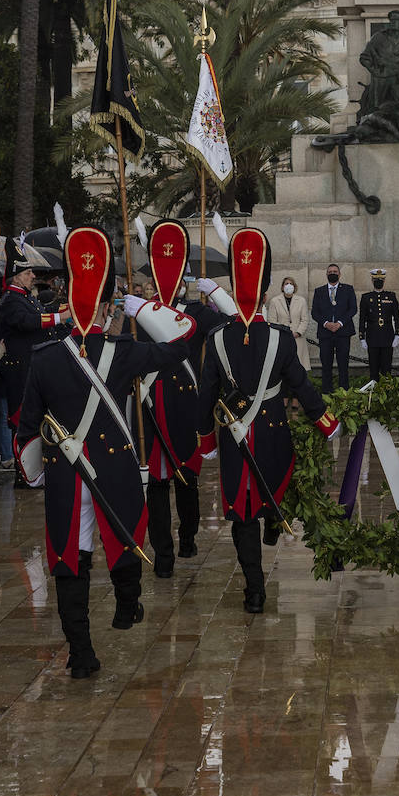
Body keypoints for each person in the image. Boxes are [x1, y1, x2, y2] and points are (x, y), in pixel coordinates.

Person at [14, 224, 196, 679]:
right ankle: (126, 604)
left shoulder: (45, 359)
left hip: (66, 475)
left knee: (70, 559)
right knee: (124, 536)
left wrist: (36, 473)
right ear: (104, 306)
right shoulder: (125, 350)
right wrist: (142, 306)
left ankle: (81, 653)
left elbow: (26, 429)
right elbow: (181, 342)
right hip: (113, 467)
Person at [198, 228, 340, 612]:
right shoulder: (279, 338)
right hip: (272, 433)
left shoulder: (216, 339)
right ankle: (273, 525)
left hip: (233, 437)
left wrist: (205, 440)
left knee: (243, 513)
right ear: (265, 295)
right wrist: (325, 420)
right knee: (272, 490)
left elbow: (205, 395)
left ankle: (255, 590)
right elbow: (301, 385)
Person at [135, 221, 227, 579]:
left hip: (188, 405)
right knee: (156, 484)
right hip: (152, 402)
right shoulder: (140, 310)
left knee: (186, 478)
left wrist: (216, 294)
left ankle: (187, 535)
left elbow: (231, 325)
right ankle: (163, 552)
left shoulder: (198, 312)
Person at [0, 238, 68, 483]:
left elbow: (43, 320)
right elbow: (30, 323)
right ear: (16, 277)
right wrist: (60, 317)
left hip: (32, 366)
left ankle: (34, 469)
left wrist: (62, 319)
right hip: (20, 370)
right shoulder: (10, 301)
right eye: (27, 272)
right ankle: (22, 473)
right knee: (21, 420)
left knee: (34, 418)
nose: (32, 276)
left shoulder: (25, 297)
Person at [310, 263, 356, 393]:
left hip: (343, 332)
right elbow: (315, 312)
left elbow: (353, 309)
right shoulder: (319, 291)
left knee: (343, 365)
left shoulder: (348, 289)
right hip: (325, 334)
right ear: (326, 274)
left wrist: (340, 323)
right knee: (326, 365)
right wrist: (326, 323)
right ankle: (327, 394)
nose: (332, 273)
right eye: (330, 272)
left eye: (335, 271)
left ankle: (344, 394)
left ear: (340, 274)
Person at [358, 268, 399, 380]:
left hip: (387, 337)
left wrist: (397, 335)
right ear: (372, 281)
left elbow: (397, 317)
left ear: (384, 281)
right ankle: (374, 395)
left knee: (386, 369)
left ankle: (386, 395)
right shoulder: (366, 298)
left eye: (381, 280)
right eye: (376, 280)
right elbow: (362, 318)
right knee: (373, 369)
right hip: (372, 337)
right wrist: (362, 337)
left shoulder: (391, 296)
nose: (379, 282)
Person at [266, 277, 310, 374]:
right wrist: (284, 332)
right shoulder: (275, 301)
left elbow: (305, 319)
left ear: (294, 287)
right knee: (284, 367)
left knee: (298, 368)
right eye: (286, 283)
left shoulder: (301, 301)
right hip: (282, 338)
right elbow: (272, 321)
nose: (288, 285)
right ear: (282, 287)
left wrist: (298, 332)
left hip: (298, 338)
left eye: (291, 283)